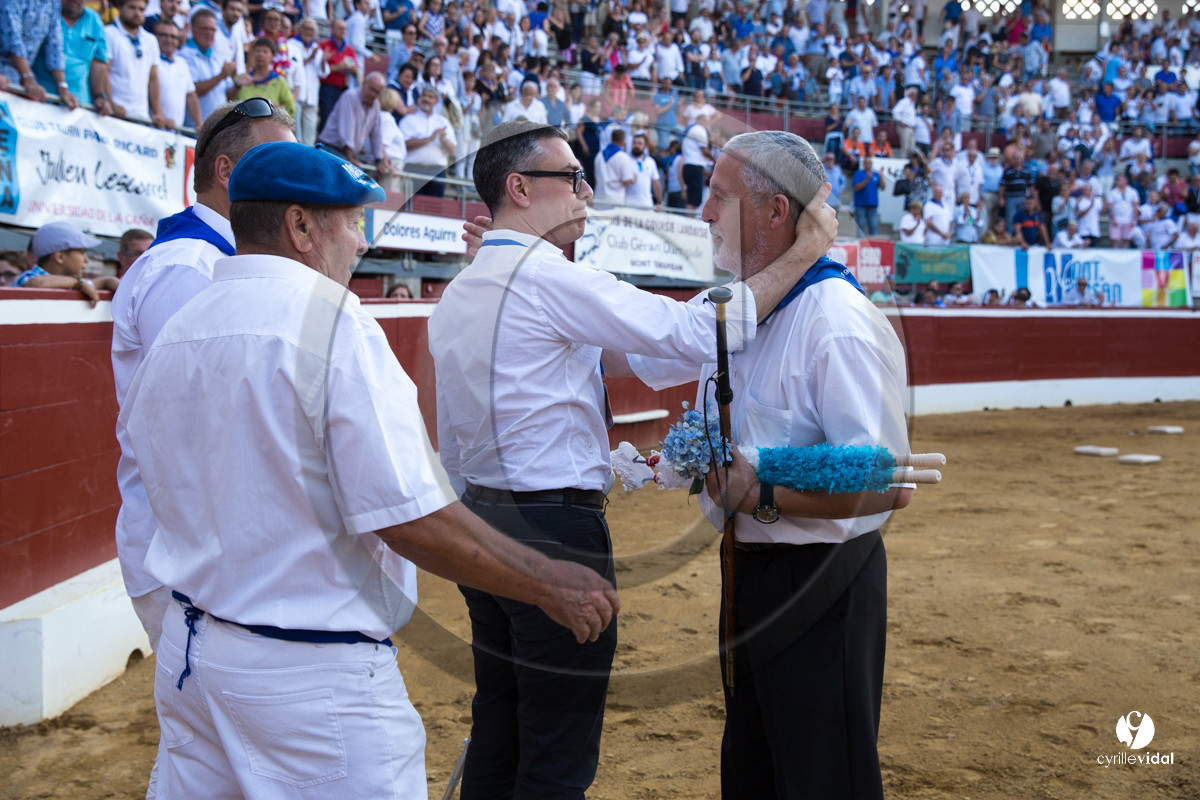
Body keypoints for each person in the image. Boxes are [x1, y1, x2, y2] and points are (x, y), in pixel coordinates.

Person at [119, 140, 619, 799]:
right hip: (310, 673)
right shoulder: (332, 325)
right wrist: (544, 579)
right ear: (301, 226)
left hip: (194, 657)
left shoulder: (180, 329)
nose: (359, 242)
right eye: (351, 222)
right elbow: (408, 516)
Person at [438, 120, 839, 800]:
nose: (587, 192)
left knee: (501, 725)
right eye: (570, 178)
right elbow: (692, 334)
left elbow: (637, 353)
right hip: (552, 532)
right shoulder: (545, 278)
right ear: (519, 188)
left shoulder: (464, 290)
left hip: (480, 524)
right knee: (554, 749)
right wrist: (804, 255)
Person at [616, 129, 911, 799]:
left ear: (776, 213)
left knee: (820, 774)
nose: (703, 213)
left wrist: (763, 495)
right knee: (753, 769)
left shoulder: (836, 321)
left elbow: (883, 483)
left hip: (820, 583)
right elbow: (628, 351)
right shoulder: (734, 307)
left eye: (719, 196)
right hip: (745, 574)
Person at [111, 100, 296, 688]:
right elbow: (194, 423)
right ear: (226, 172)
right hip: (190, 555)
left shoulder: (208, 259)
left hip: (207, 548)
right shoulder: (190, 266)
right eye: (278, 158)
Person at [12, 222, 116, 307]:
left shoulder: (70, 283)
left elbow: (103, 282)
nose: (86, 259)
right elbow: (36, 284)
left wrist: (111, 281)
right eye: (81, 253)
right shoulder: (28, 277)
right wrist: (78, 282)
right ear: (60, 257)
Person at [0, 0, 80, 109]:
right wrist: (28, 78)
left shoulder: (53, 3)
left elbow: (54, 46)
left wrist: (62, 87)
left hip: (19, 78)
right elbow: (13, 40)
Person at [105, 0, 168, 126]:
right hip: (114, 115)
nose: (137, 13)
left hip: (141, 117)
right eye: (132, 8)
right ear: (120, 7)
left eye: (141, 9)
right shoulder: (108, 33)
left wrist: (157, 111)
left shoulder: (151, 40)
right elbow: (103, 71)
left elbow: (153, 78)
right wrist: (111, 104)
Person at [44, 0, 110, 112]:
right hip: (43, 99)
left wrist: (99, 96)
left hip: (80, 105)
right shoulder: (47, 12)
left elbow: (98, 63)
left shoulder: (94, 20)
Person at [179, 7, 237, 126]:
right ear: (193, 30)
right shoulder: (184, 55)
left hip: (217, 129)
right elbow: (192, 89)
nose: (209, 33)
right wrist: (221, 76)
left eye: (212, 30)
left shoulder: (217, 57)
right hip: (195, 129)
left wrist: (239, 84)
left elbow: (227, 94)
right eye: (205, 29)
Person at [318, 71, 386, 170]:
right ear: (363, 84)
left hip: (347, 153)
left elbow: (377, 134)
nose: (373, 94)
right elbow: (347, 128)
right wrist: (350, 158)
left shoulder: (376, 104)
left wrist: (378, 160)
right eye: (372, 89)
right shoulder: (350, 96)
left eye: (377, 92)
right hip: (331, 149)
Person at [399, 86, 457, 197]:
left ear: (436, 101)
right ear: (419, 97)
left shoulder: (443, 121)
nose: (426, 99)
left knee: (434, 211)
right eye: (424, 95)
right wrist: (430, 138)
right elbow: (405, 145)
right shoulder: (409, 119)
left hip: (437, 172)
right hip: (413, 170)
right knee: (411, 211)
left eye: (430, 97)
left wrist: (443, 140)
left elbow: (453, 150)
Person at [153, 20, 203, 129]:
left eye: (173, 37)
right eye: (163, 35)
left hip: (176, 131)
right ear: (155, 37)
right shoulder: (151, 60)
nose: (169, 40)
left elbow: (191, 95)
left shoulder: (182, 63)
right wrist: (160, 115)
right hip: (153, 127)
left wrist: (199, 123)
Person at [593, 126, 637, 207]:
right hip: (614, 202)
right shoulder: (623, 157)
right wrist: (634, 178)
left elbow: (595, 180)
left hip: (599, 199)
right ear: (623, 140)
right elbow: (627, 180)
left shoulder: (599, 155)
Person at [852, 154, 884, 236]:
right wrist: (867, 179)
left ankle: (873, 245)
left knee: (873, 226)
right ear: (863, 164)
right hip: (860, 204)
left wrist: (881, 177)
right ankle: (859, 244)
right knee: (860, 225)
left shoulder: (876, 174)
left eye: (870, 163)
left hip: (873, 205)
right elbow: (857, 187)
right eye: (866, 163)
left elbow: (883, 187)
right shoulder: (858, 173)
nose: (868, 164)